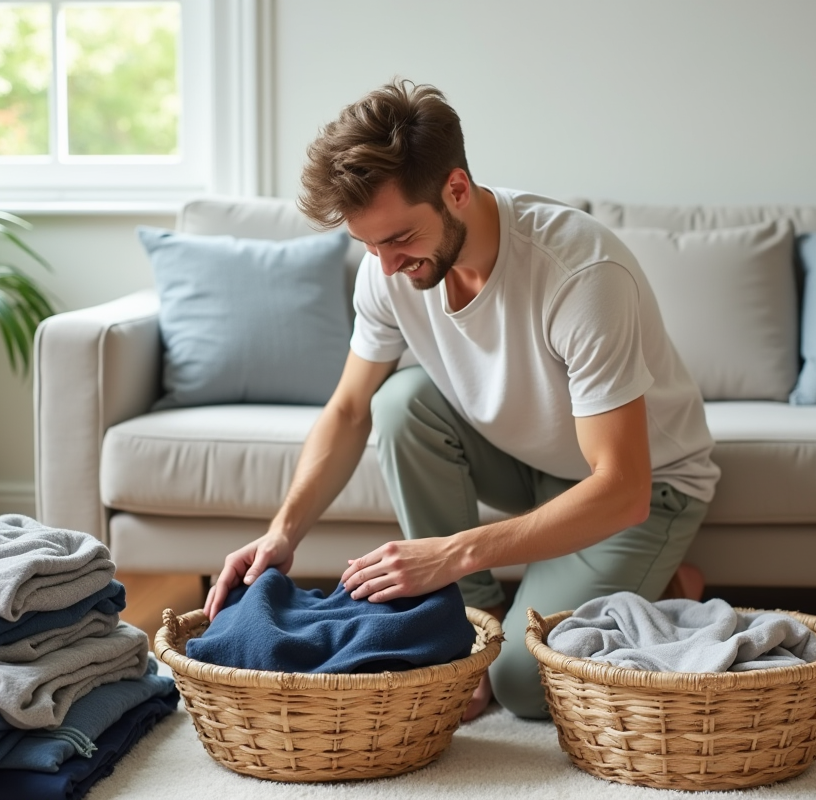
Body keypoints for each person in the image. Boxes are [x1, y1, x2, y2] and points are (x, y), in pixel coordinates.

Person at [204, 79, 720, 720]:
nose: (386, 265)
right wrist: (283, 534)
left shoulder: (580, 274)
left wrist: (451, 553)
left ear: (456, 189)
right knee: (401, 401)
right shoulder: (388, 269)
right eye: (369, 245)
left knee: (526, 689)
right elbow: (349, 409)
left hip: (637, 492)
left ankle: (670, 588)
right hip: (527, 466)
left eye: (398, 239)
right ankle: (473, 620)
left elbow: (622, 486)